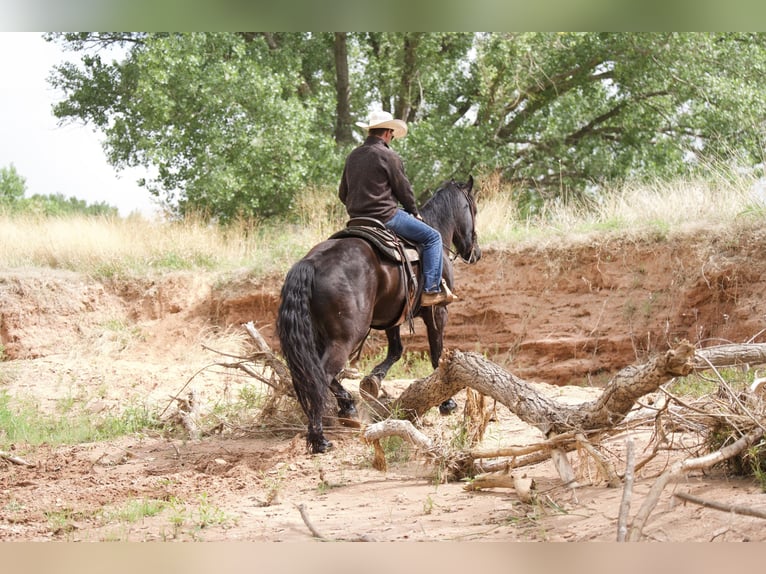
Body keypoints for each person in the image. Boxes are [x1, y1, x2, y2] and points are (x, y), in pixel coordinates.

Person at [339, 110, 457, 307]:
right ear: (387, 133)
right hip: (386, 217)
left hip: (356, 220)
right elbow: (404, 190)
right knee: (433, 237)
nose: (391, 139)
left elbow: (343, 193)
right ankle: (431, 290)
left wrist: (360, 208)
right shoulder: (388, 156)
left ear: (371, 132)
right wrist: (414, 212)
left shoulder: (353, 156)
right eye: (391, 135)